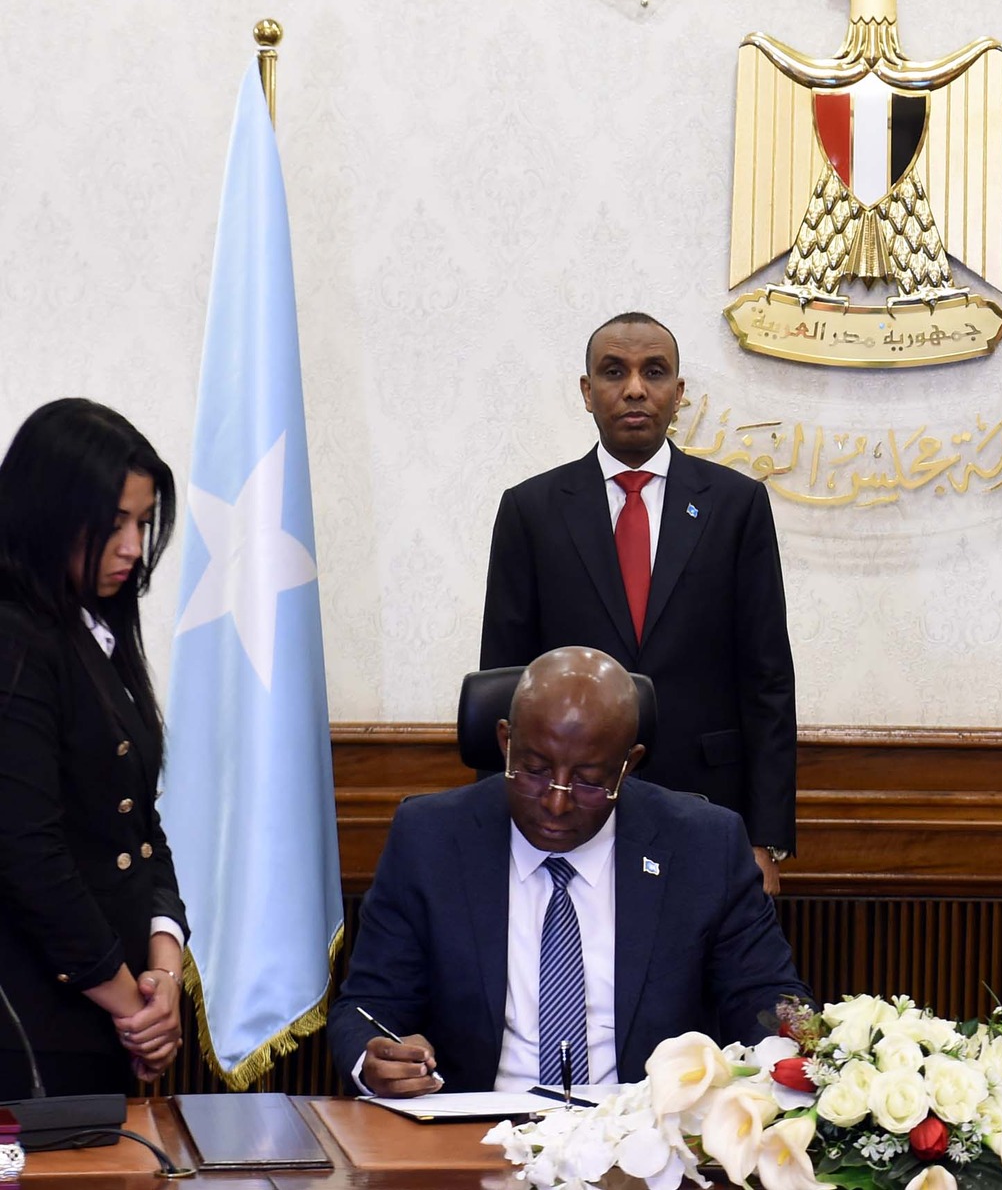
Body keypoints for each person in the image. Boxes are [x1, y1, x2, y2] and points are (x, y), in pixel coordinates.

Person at [331, 646, 810, 1096]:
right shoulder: (430, 839)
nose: (556, 803)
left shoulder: (703, 846)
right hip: (472, 1131)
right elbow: (369, 1006)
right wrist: (376, 1059)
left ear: (628, 765)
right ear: (505, 742)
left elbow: (766, 994)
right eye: (535, 770)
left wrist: (802, 1044)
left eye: (588, 782)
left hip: (644, 1131)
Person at [481, 312, 798, 894]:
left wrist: (765, 837)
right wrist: (498, 826)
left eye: (654, 372)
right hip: (566, 806)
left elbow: (767, 680)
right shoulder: (531, 510)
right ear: (587, 392)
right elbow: (506, 682)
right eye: (613, 372)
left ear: (678, 393)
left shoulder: (736, 505)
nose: (634, 388)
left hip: (708, 804)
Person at [0, 399, 188, 1097]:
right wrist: (135, 1006)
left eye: (142, 522)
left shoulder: (92, 633)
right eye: (113, 525)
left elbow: (140, 828)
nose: (133, 547)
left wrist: (165, 969)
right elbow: (27, 852)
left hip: (105, 1016)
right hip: (30, 1031)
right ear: (48, 513)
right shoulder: (15, 638)